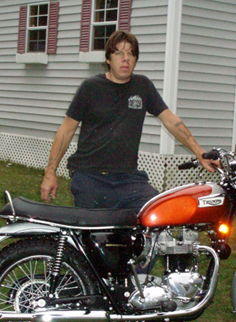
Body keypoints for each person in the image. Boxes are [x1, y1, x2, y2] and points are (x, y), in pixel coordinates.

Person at [41, 30, 218, 213]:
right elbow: (66, 130)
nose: (126, 59)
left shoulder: (142, 86)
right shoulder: (91, 87)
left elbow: (170, 120)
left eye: (131, 54)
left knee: (156, 214)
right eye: (119, 53)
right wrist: (50, 172)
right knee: (95, 235)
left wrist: (199, 152)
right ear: (108, 59)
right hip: (90, 177)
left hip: (129, 179)